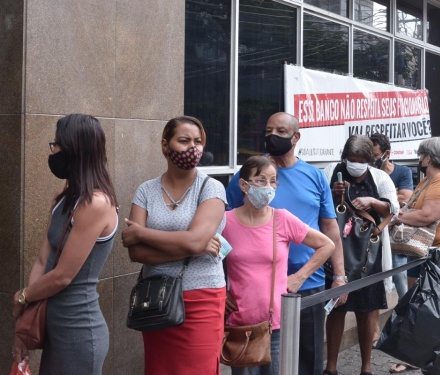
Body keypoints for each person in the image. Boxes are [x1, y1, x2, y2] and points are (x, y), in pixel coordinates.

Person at [226, 112, 345, 375]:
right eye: (269, 131)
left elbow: (330, 230)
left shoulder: (314, 176)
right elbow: (227, 230)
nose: (273, 137)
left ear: (296, 137)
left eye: (281, 132)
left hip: (307, 284)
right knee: (253, 363)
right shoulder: (244, 177)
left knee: (306, 360)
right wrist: (224, 287)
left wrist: (339, 276)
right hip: (255, 292)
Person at [12, 114, 118, 374]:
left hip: (79, 332)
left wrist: (23, 296)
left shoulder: (96, 203)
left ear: (74, 149)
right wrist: (24, 323)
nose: (54, 150)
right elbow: (42, 261)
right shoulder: (64, 197)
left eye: (57, 144)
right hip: (52, 325)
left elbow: (62, 276)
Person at [122, 116, 227, 375]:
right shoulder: (145, 190)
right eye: (184, 141)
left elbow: (194, 240)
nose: (193, 148)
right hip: (156, 298)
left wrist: (143, 233)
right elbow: (136, 252)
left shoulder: (212, 188)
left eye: (198, 142)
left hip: (202, 297)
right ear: (165, 145)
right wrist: (195, 245)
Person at [322, 135, 399, 375]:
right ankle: (331, 367)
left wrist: (373, 202)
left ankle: (366, 368)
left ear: (369, 160)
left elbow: (394, 209)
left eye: (360, 160)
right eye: (350, 160)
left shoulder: (380, 178)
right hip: (336, 255)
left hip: (369, 256)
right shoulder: (330, 172)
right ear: (343, 158)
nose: (354, 165)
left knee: (367, 312)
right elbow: (319, 205)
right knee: (336, 310)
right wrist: (333, 194)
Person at [388, 136, 440, 375]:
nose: (419, 158)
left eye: (422, 154)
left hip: (439, 251)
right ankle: (416, 358)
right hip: (421, 251)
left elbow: (428, 216)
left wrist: (398, 217)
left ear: (429, 156)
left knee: (435, 312)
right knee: (420, 308)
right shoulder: (429, 180)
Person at [369, 133, 413, 345]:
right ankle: (374, 327)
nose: (371, 159)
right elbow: (389, 202)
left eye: (375, 155)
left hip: (396, 236)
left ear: (386, 154)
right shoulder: (369, 172)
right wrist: (388, 199)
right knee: (375, 279)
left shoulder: (402, 171)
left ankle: (407, 321)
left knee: (400, 277)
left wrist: (384, 200)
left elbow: (405, 198)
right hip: (374, 234)